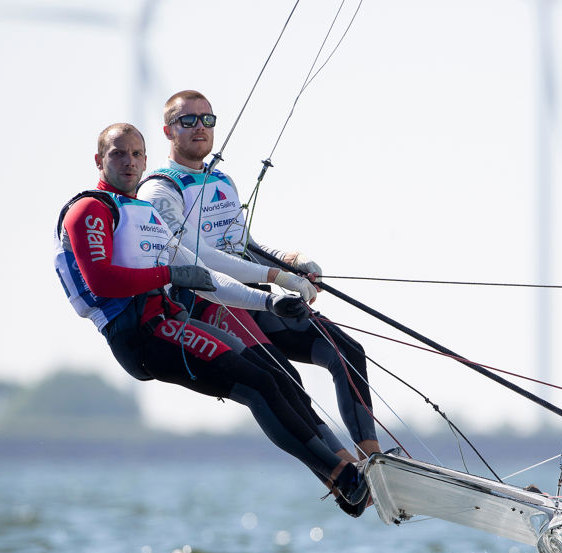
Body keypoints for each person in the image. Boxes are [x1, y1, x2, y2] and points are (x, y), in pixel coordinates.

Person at [54, 122, 369, 514]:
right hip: (139, 336)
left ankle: (345, 478)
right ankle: (342, 475)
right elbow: (101, 281)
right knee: (257, 384)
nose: (129, 162)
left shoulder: (143, 213)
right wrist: (168, 274)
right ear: (99, 160)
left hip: (169, 322)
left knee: (270, 376)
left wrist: (269, 302)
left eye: (136, 154)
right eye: (118, 153)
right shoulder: (89, 209)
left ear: (145, 159)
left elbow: (205, 276)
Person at [137, 90, 384, 467]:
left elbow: (243, 245)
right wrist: (278, 276)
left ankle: (375, 461)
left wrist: (291, 259)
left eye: (207, 119)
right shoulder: (159, 190)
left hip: (254, 296)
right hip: (209, 302)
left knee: (346, 352)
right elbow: (202, 257)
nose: (199, 127)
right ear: (169, 131)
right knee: (282, 378)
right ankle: (342, 468)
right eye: (188, 120)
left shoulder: (221, 181)